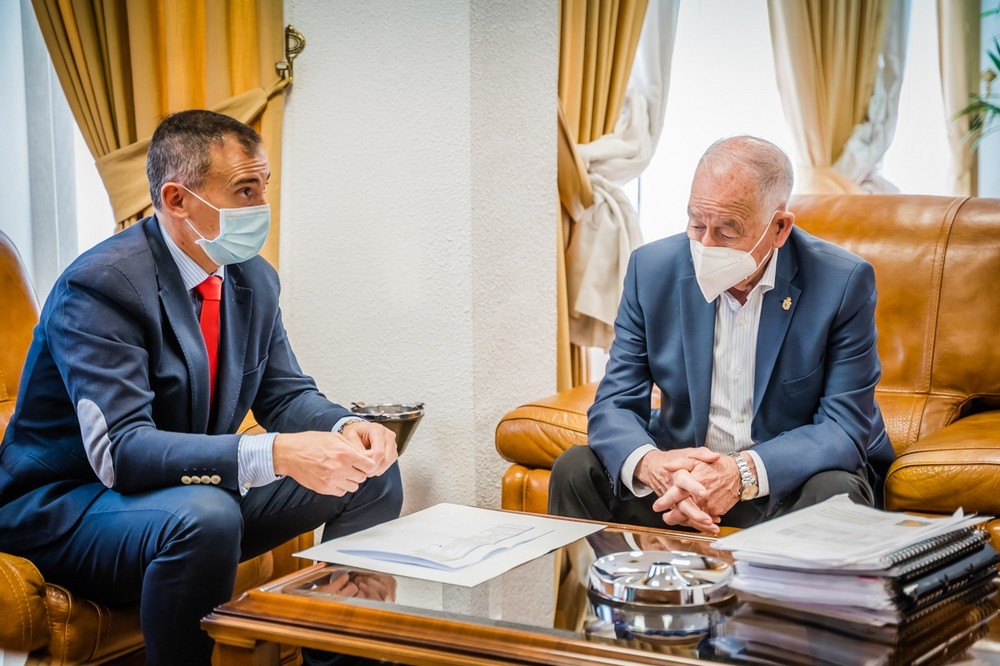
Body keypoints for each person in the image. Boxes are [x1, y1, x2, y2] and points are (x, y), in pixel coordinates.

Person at [0, 110, 402, 665]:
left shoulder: (253, 277)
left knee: (368, 474)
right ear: (177, 198)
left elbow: (284, 394)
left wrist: (345, 427)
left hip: (185, 492)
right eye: (244, 189)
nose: (262, 207)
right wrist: (279, 451)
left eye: (264, 187)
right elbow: (121, 454)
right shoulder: (100, 286)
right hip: (68, 506)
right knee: (206, 514)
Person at [548, 135, 895, 535]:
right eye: (697, 224)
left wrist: (740, 474)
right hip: (682, 482)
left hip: (782, 486)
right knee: (576, 469)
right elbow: (614, 403)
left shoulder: (841, 282)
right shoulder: (652, 269)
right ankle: (624, 593)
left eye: (728, 232)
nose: (707, 245)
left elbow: (844, 427)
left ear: (779, 228)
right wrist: (653, 466)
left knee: (837, 493)